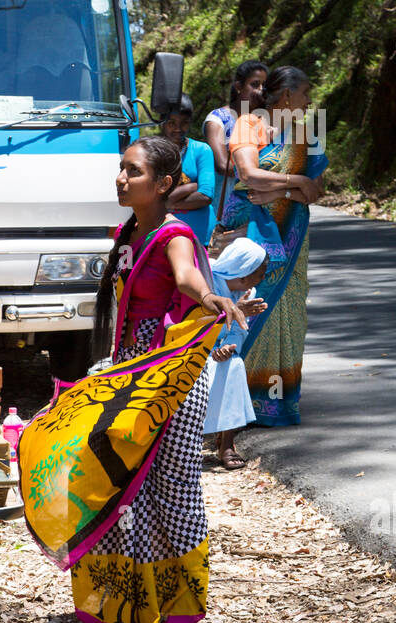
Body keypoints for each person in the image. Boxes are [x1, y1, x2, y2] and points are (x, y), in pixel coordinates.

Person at [24, 137, 244, 623]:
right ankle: (129, 604)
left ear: (163, 184)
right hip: (128, 375)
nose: (122, 178)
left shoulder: (174, 237)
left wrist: (210, 297)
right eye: (120, 169)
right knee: (125, 492)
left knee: (175, 491)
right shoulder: (129, 233)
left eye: (134, 172)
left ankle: (184, 613)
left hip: (166, 381)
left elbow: (188, 277)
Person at [220, 66, 328, 426]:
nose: (310, 100)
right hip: (254, 239)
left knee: (291, 314)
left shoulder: (307, 132)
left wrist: (279, 188)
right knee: (253, 312)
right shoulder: (248, 125)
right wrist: (294, 180)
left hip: (294, 236)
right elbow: (249, 176)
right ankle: (241, 407)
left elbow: (316, 191)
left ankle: (280, 405)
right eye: (305, 93)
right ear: (286, 97)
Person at [203, 238, 269, 468]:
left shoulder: (248, 291)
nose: (262, 278)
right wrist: (233, 314)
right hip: (191, 348)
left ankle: (227, 443)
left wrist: (229, 348)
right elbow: (195, 324)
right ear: (242, 273)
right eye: (259, 273)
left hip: (220, 350)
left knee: (234, 366)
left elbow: (240, 332)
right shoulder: (206, 281)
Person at [203, 61, 268, 224]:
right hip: (224, 207)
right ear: (239, 86)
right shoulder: (218, 120)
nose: (260, 90)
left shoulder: (264, 120)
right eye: (255, 84)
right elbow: (223, 165)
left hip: (259, 208)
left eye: (264, 86)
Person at [160, 95, 216, 248]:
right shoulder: (152, 152)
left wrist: (167, 202)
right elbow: (149, 196)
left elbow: (205, 196)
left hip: (199, 236)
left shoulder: (201, 150)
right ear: (163, 123)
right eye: (172, 123)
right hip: (163, 235)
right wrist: (191, 187)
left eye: (184, 123)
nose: (178, 129)